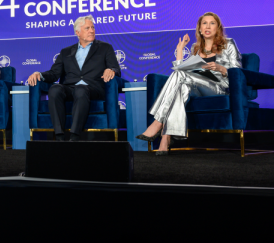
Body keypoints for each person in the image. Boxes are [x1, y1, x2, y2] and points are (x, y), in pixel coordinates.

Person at [136, 12, 242, 155]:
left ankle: (158, 123)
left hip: (219, 86)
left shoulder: (228, 44)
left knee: (181, 78)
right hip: (197, 86)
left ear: (218, 27)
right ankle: (166, 136)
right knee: (182, 87)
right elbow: (184, 70)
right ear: (199, 28)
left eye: (212, 23)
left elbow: (238, 71)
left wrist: (221, 68)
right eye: (204, 23)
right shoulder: (195, 47)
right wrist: (180, 50)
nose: (208, 26)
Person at [27, 15, 121, 141]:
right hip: (70, 87)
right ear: (78, 32)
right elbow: (54, 73)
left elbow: (116, 69)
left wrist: (111, 70)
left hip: (93, 88)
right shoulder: (66, 52)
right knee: (55, 89)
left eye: (93, 27)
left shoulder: (105, 48)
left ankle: (74, 136)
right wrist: (40, 74)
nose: (92, 30)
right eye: (87, 28)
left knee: (81, 89)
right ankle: (59, 136)